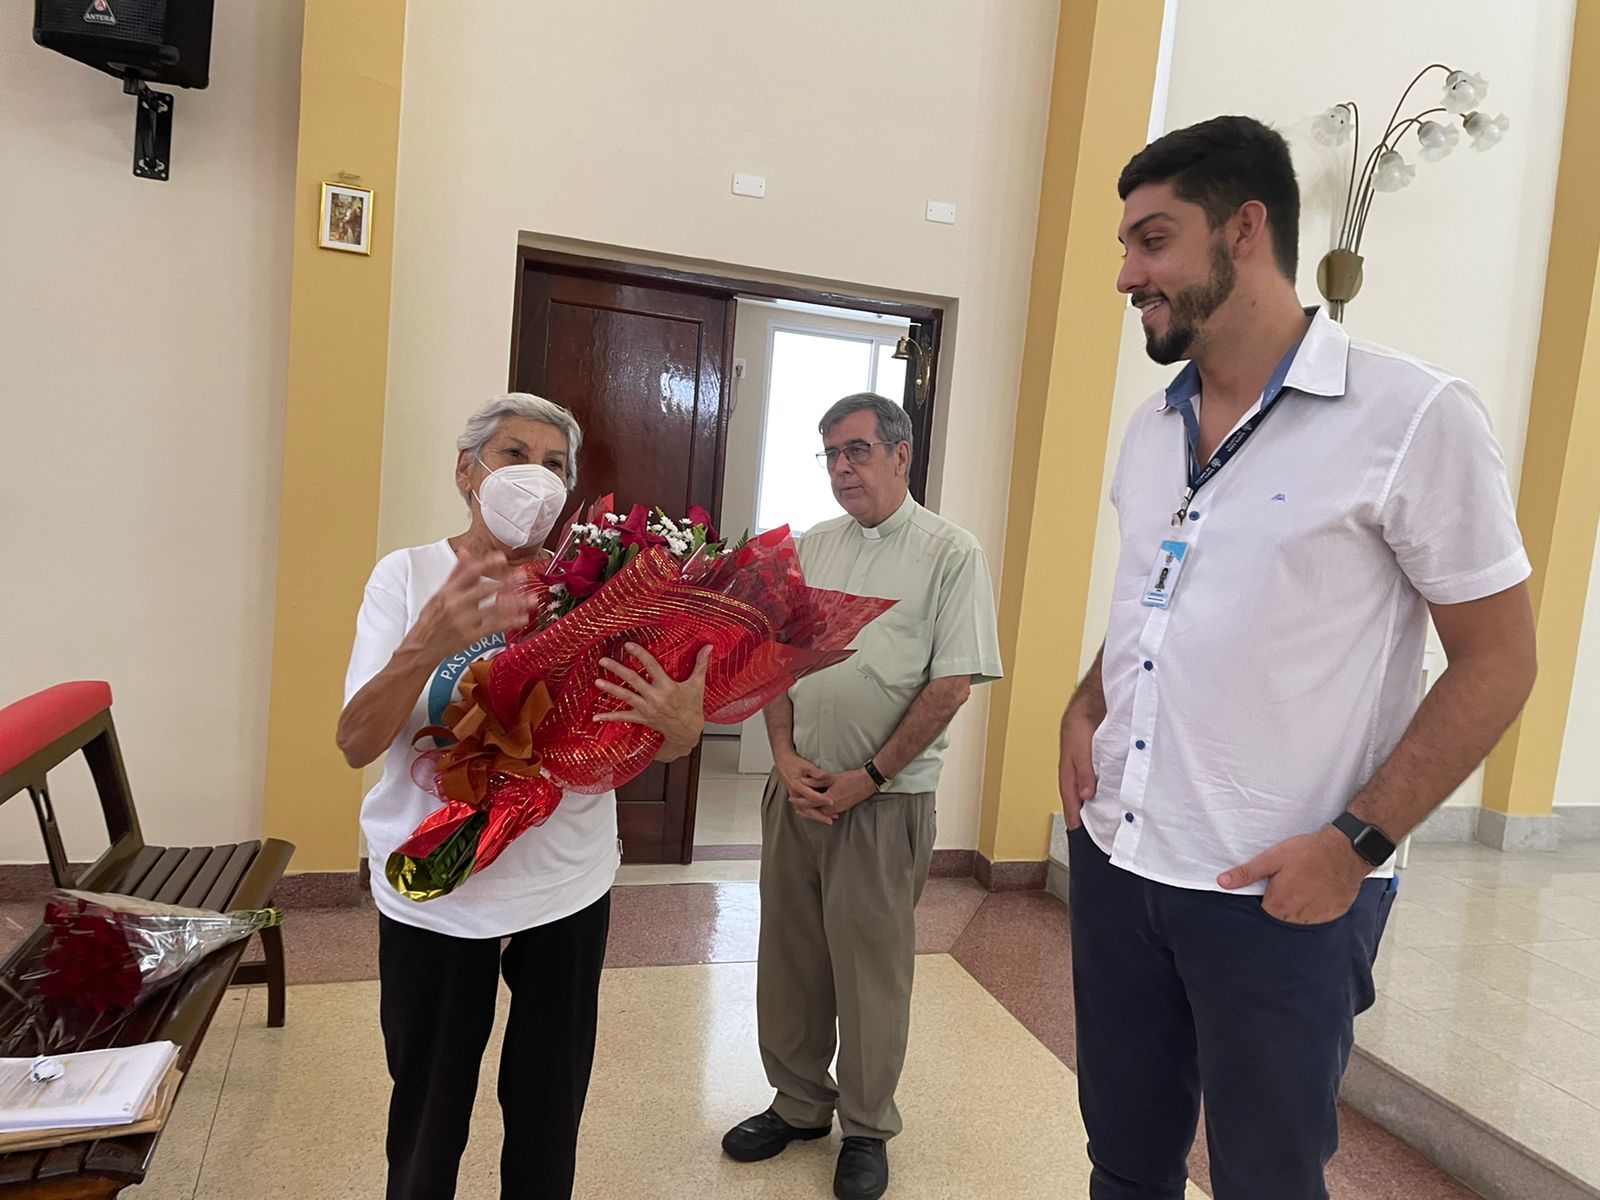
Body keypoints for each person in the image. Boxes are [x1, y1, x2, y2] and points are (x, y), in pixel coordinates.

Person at [1058, 115, 1537, 1199]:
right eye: (1125, 247)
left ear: (1245, 229)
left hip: (1278, 890)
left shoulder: (1411, 417)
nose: (1127, 275)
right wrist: (1085, 704)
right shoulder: (1152, 426)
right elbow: (1156, 599)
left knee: (1267, 1180)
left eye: (1152, 241)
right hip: (1122, 861)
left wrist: (1355, 845)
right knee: (1123, 1164)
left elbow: (1500, 659)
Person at [337, 393, 711, 1200]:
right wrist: (426, 644)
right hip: (437, 883)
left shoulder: (603, 586)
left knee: (548, 1108)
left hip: (564, 882)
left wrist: (684, 728)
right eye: (515, 455)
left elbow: (659, 732)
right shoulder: (407, 576)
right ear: (466, 472)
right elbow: (356, 742)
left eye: (555, 466)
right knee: (428, 1111)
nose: (535, 478)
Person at [722, 393, 1004, 1200]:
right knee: (790, 959)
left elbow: (951, 685)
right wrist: (782, 756)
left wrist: (870, 776)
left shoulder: (950, 553)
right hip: (799, 795)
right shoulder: (810, 548)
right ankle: (798, 1104)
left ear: (900, 454)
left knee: (870, 972)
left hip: (883, 804)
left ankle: (868, 1126)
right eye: (831, 455)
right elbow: (774, 662)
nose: (842, 468)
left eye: (856, 450)